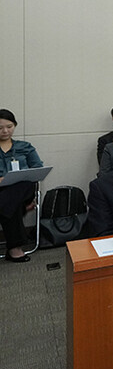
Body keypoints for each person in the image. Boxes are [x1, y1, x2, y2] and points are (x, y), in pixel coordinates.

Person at [0, 109, 42, 263]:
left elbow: (37, 169)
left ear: (15, 125)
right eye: (0, 128)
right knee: (12, 205)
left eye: (9, 126)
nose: (5, 131)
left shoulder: (25, 146)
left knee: (21, 185)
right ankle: (15, 249)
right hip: (4, 193)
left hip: (24, 188)